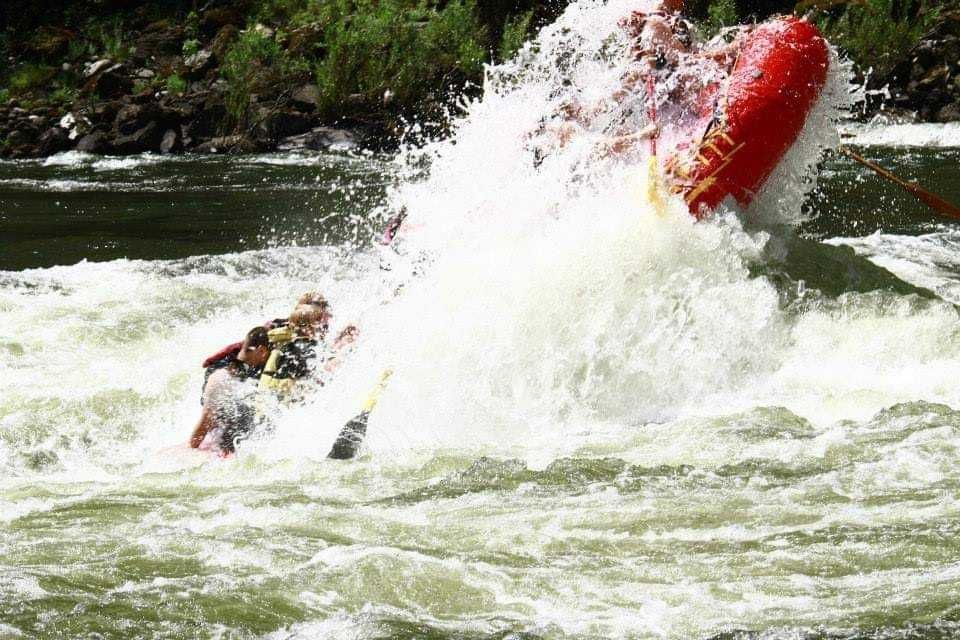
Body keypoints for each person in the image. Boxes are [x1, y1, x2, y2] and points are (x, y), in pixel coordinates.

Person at [190, 326, 272, 455]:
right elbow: (205, 423)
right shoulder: (222, 377)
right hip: (224, 443)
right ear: (262, 351)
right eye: (270, 355)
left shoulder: (248, 368)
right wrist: (192, 448)